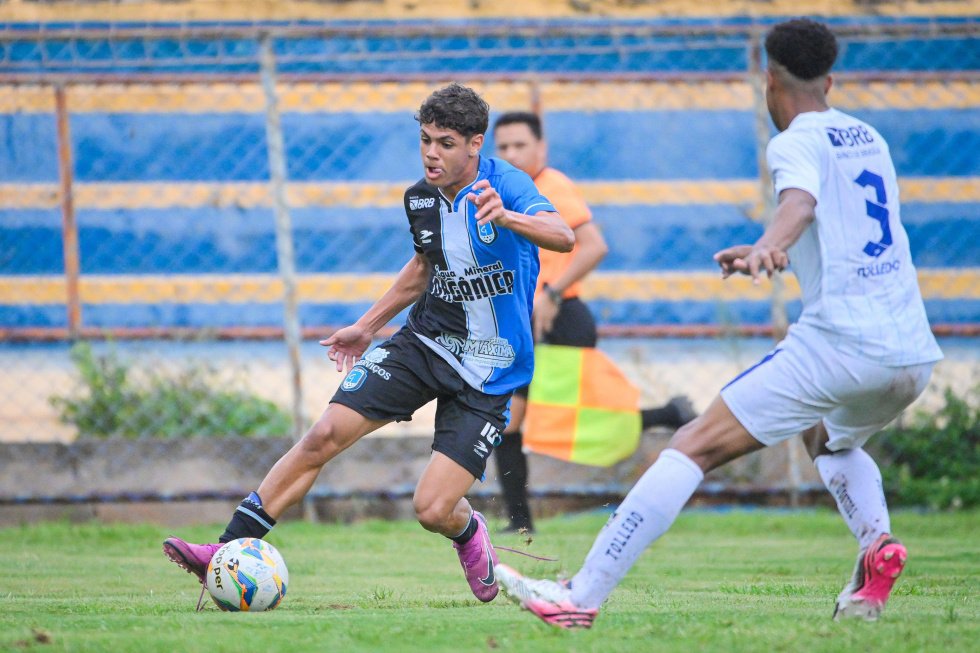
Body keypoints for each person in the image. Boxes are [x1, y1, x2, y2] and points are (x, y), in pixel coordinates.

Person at [494, 18, 943, 628]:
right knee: (828, 437)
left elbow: (800, 203)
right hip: (911, 351)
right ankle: (876, 552)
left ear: (768, 79)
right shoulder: (868, 135)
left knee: (692, 446)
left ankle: (579, 595)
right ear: (831, 79)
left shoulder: (792, 141)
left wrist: (767, 244)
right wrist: (774, 243)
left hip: (841, 342)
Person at [162, 83, 574, 604]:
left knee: (432, 510)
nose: (431, 153)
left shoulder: (506, 186)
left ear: (475, 144)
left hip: (491, 370)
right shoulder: (420, 199)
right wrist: (369, 324)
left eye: (445, 143)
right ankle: (223, 552)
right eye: (425, 139)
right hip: (424, 344)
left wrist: (509, 217)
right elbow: (424, 268)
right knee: (323, 435)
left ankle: (469, 533)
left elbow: (564, 235)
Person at [491, 112, 696, 533]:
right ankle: (519, 521)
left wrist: (551, 292)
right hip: (521, 321)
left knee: (573, 418)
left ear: (541, 149)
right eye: (504, 147)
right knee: (513, 419)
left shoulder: (551, 187)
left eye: (520, 145)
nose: (511, 153)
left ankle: (667, 415)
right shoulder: (501, 188)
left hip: (561, 319)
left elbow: (592, 246)